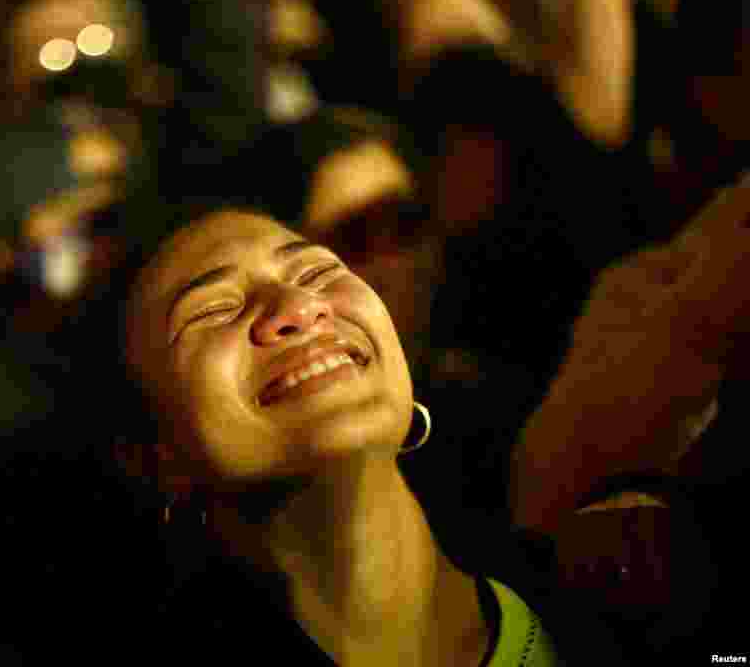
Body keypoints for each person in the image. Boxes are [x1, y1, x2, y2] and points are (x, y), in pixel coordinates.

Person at [114, 207, 633, 666]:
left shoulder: (622, 593)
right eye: (213, 310)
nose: (299, 306)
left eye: (317, 273)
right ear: (157, 457)